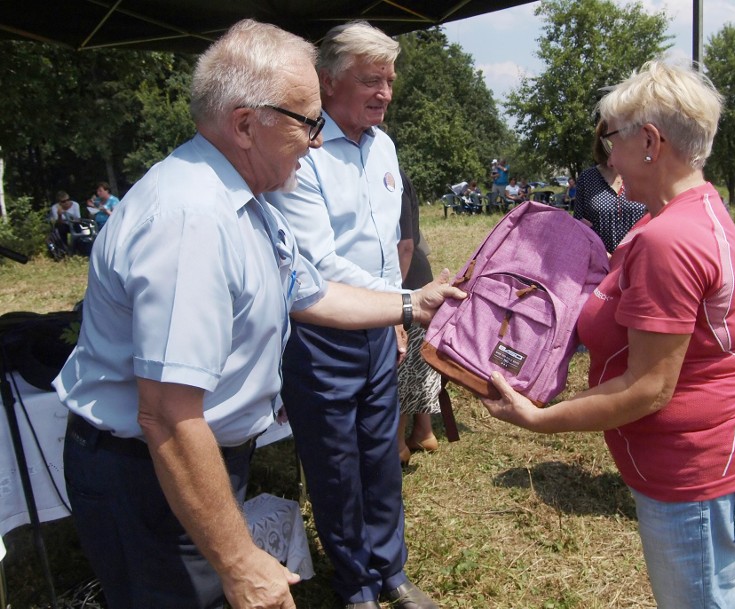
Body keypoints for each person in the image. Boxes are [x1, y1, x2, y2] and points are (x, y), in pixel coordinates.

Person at [54, 19, 464, 609]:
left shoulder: (250, 202)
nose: (319, 141)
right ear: (246, 124)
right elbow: (167, 416)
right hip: (152, 472)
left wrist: (410, 302)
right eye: (306, 121)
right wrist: (239, 560)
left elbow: (313, 293)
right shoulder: (192, 220)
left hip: (190, 465)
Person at [481, 59, 735, 609]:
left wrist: (541, 419)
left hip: (697, 481)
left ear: (650, 141)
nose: (608, 157)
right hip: (702, 471)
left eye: (612, 139)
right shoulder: (671, 214)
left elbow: (648, 388)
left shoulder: (668, 238)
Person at [267, 21, 440, 609]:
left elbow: (390, 241)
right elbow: (320, 262)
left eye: (389, 80)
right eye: (371, 79)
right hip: (320, 334)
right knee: (337, 469)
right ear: (328, 82)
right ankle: (356, 585)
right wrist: (400, 304)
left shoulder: (384, 146)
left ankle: (391, 570)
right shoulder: (303, 153)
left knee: (381, 458)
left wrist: (393, 309)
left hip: (378, 328)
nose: (385, 92)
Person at [396, 169, 442, 466]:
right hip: (417, 276)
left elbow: (405, 244)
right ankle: (424, 431)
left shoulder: (388, 174)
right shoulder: (401, 174)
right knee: (418, 360)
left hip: (404, 278)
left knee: (402, 365)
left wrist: (395, 299)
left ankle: (398, 443)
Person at [573, 121, 647, 253]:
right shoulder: (587, 178)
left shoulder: (641, 175)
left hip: (637, 260)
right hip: (600, 264)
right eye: (611, 140)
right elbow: (578, 226)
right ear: (602, 141)